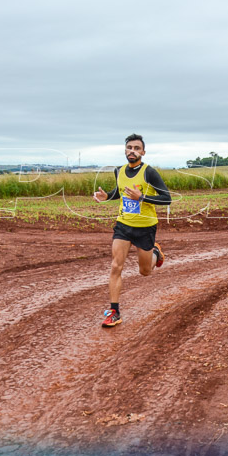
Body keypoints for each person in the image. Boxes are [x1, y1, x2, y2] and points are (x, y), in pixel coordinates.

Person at [93, 133, 172, 328]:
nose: (132, 151)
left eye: (137, 148)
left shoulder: (149, 173)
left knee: (145, 272)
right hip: (124, 225)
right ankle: (114, 312)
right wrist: (107, 197)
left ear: (143, 152)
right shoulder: (118, 171)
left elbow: (167, 198)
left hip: (145, 227)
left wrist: (142, 197)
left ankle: (155, 253)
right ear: (125, 150)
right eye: (129, 147)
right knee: (115, 266)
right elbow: (121, 193)